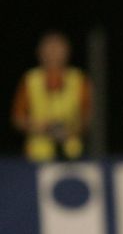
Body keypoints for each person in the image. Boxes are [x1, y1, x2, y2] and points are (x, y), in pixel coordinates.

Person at [11, 31, 92, 162]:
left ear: (67, 51)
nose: (53, 53)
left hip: (72, 152)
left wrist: (70, 131)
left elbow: (88, 117)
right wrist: (44, 128)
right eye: (49, 48)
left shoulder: (79, 79)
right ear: (39, 52)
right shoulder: (30, 80)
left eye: (58, 48)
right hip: (36, 154)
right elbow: (18, 119)